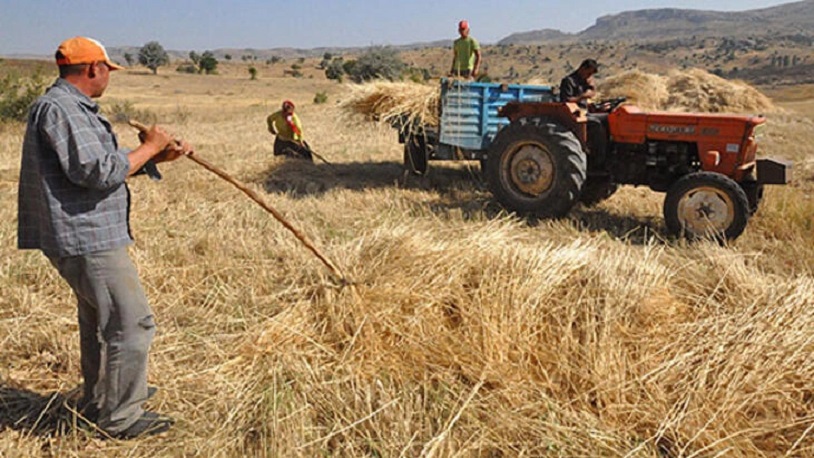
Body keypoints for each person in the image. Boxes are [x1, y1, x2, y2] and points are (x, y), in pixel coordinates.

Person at [17, 36, 192, 439]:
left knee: (100, 322)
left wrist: (156, 155)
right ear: (93, 68)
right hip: (86, 236)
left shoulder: (68, 107)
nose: (108, 78)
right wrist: (150, 146)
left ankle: (102, 399)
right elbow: (96, 172)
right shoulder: (61, 109)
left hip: (84, 234)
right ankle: (122, 417)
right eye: (107, 70)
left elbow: (102, 164)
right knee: (132, 323)